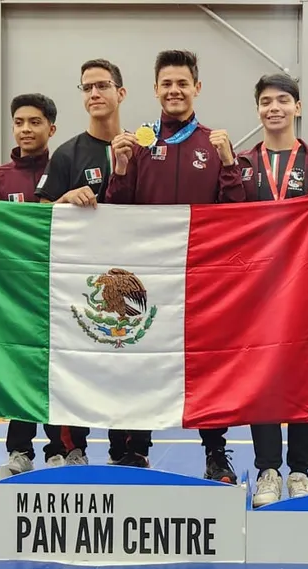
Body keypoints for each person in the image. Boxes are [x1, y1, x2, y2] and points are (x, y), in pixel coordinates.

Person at [104, 49, 246, 482]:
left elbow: (234, 212)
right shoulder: (138, 142)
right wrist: (120, 167)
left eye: (182, 83)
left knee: (206, 364)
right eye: (166, 83)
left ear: (196, 88)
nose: (174, 90)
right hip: (146, 277)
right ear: (155, 90)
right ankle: (134, 449)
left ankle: (216, 452)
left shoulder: (214, 144)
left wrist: (229, 164)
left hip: (200, 277)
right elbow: (116, 211)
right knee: (139, 360)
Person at [235, 73, 308, 505]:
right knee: (262, 381)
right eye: (266, 101)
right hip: (259, 294)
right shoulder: (243, 165)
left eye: (283, 100)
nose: (274, 108)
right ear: (258, 110)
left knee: (305, 381)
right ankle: (268, 470)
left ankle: (300, 470)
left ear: (298, 107)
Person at [0, 93, 91, 473]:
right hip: (16, 292)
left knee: (67, 368)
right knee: (21, 368)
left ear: (51, 128)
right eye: (19, 122)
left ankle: (70, 448)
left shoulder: (69, 170)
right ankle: (20, 451)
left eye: (35, 122)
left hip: (64, 289)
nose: (26, 129)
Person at [35, 58, 126, 207]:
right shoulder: (65, 155)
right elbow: (43, 212)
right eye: (87, 88)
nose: (94, 94)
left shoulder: (138, 149)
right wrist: (65, 199)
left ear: (121, 94)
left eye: (102, 86)